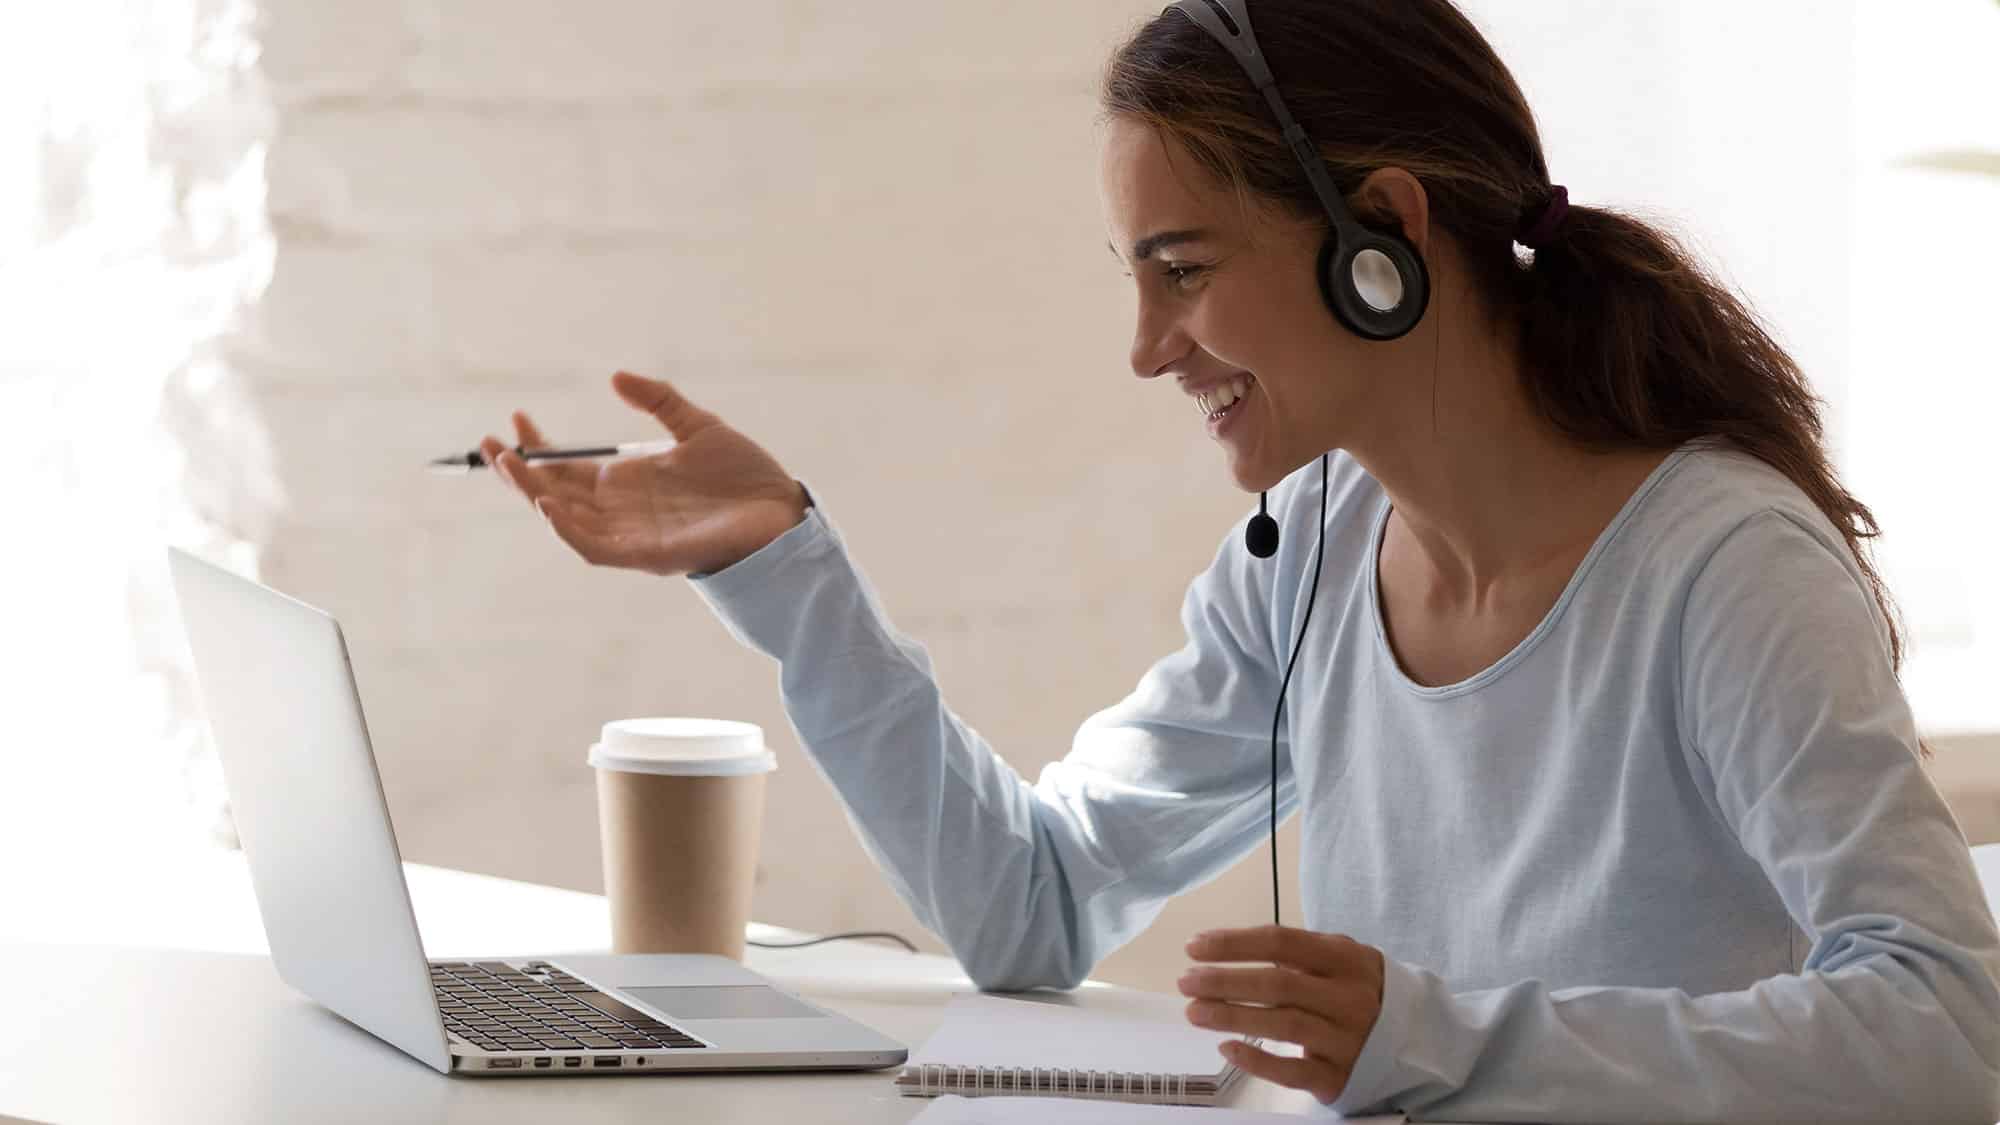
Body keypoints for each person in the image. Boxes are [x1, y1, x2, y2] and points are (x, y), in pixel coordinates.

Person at [476, 1, 2000, 1119]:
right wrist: (789, 573)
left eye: (1184, 274)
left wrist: (1439, 1032)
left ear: (1381, 236)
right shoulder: (1315, 549)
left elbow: (1951, 1028)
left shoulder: (1723, 570)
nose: (1149, 353)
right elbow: (1032, 902)